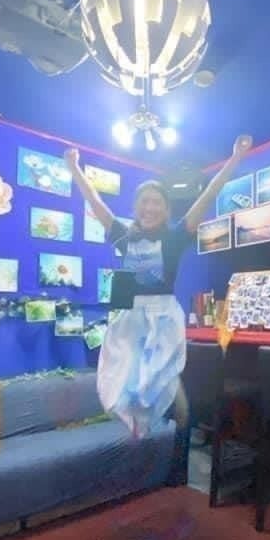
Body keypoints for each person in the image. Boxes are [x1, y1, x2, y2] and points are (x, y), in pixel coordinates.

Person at [64, 134, 252, 438]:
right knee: (122, 377)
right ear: (136, 208)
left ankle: (174, 402)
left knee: (160, 376)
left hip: (163, 314)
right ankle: (140, 426)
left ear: (166, 210)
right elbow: (95, 203)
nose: (150, 208)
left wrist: (235, 158)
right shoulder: (124, 236)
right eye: (144, 202)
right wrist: (74, 168)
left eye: (157, 203)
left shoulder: (175, 237)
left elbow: (208, 196)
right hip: (130, 315)